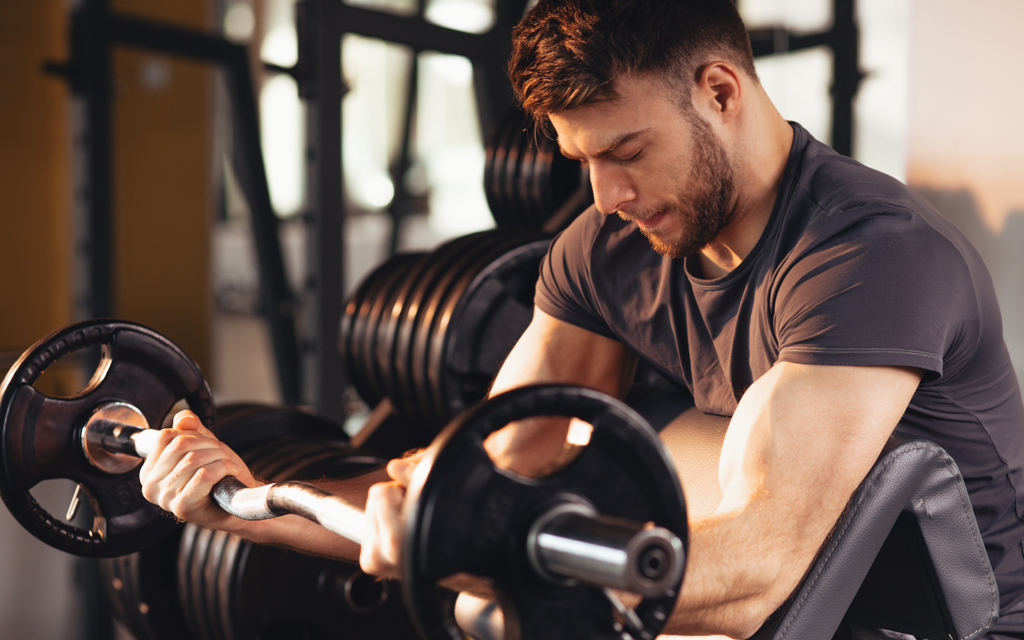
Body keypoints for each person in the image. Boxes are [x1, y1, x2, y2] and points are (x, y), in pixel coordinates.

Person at [138, 0, 1024, 637]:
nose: (606, 195)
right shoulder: (608, 246)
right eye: (582, 159)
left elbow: (754, 574)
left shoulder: (870, 253)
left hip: (952, 619)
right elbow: (482, 472)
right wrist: (250, 503)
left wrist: (497, 559)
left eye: (627, 151)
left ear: (720, 91)